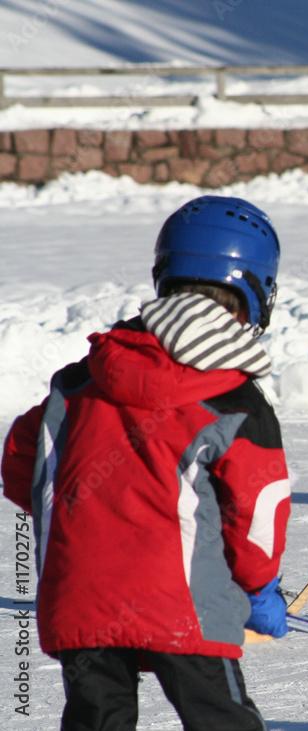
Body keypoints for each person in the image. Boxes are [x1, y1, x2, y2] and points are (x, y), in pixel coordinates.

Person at [2, 196, 292, 730]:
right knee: (219, 718)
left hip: (80, 601)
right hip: (187, 604)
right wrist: (258, 589)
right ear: (256, 292)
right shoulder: (234, 397)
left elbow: (23, 459)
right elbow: (259, 511)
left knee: (98, 720)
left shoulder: (78, 379)